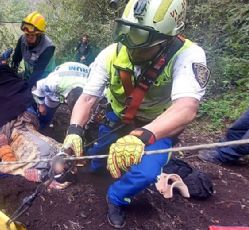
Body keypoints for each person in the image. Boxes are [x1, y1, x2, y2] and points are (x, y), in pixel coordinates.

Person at [62, 0, 209, 228]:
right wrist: (74, 131)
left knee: (147, 173)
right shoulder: (111, 54)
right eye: (128, 35)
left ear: (166, 39)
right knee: (97, 157)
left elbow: (186, 108)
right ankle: (91, 170)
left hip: (158, 127)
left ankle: (116, 197)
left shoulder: (188, 56)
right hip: (118, 119)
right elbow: (88, 97)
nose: (132, 46)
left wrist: (142, 136)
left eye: (142, 43)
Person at [32, 62, 90, 129]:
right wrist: (41, 105)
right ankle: (41, 123)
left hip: (80, 75)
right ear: (67, 97)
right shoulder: (54, 82)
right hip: (63, 78)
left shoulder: (93, 89)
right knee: (48, 108)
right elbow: (39, 86)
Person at [11, 11, 56, 87]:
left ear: (39, 35)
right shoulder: (22, 40)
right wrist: (12, 76)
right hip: (28, 75)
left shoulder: (48, 47)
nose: (28, 38)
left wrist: (25, 89)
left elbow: (37, 73)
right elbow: (16, 60)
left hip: (44, 80)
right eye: (27, 34)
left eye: (32, 35)